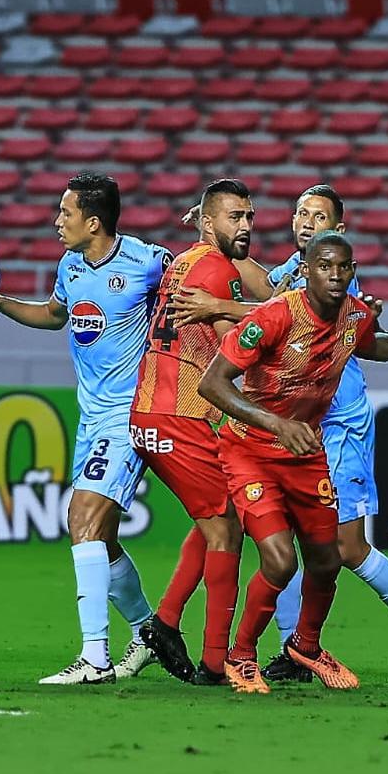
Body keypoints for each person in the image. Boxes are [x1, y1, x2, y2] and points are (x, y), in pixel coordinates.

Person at [171, 185, 388, 685]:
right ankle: (243, 652)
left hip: (327, 433)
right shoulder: (285, 294)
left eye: (319, 217)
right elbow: (250, 322)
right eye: (300, 213)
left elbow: (376, 344)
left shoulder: (349, 303)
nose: (306, 222)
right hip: (261, 442)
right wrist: (207, 236)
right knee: (280, 555)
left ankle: (325, 643)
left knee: (337, 554)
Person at [0, 174, 168, 685]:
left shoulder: (148, 262)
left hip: (127, 414)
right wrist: (0, 302)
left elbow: (200, 291)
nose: (56, 222)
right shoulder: (71, 265)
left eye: (65, 213)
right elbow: (55, 315)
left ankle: (95, 659)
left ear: (93, 222)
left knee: (82, 520)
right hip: (90, 415)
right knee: (103, 537)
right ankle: (149, 633)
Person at [129, 178, 252, 685]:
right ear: (208, 222)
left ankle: (165, 622)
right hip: (179, 417)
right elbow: (234, 348)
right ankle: (213, 661)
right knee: (228, 529)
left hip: (154, 412)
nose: (244, 226)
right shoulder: (221, 272)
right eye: (233, 217)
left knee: (213, 521)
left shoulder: (184, 262)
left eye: (248, 216)